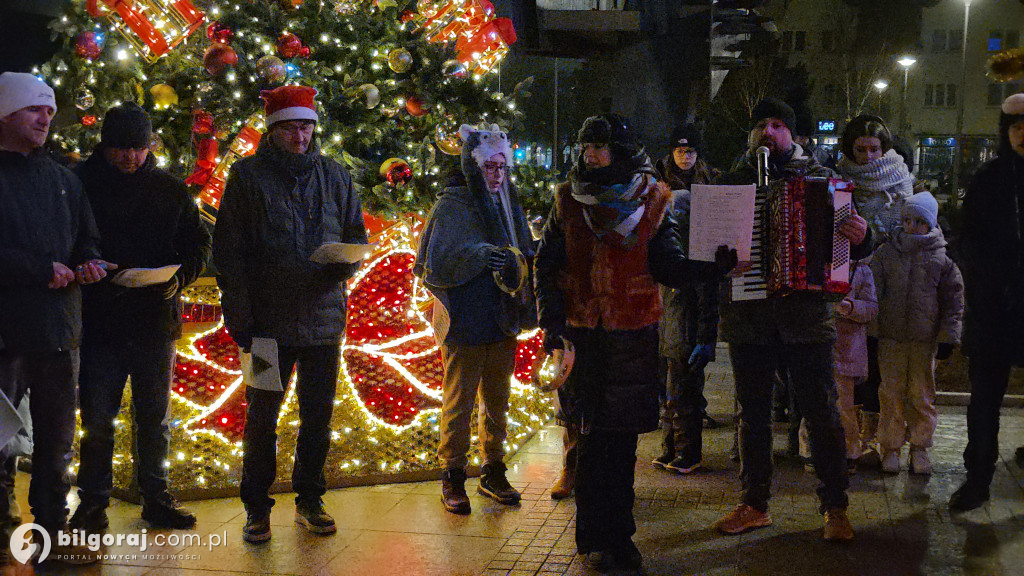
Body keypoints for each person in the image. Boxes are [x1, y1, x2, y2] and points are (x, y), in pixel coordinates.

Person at [534, 114, 734, 571]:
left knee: (622, 446)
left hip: (633, 337)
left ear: (620, 152)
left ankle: (621, 537)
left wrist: (713, 268)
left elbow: (668, 266)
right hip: (583, 339)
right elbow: (546, 267)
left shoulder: (654, 200)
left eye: (599, 146)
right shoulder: (567, 200)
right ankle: (592, 541)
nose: (590, 155)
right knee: (588, 442)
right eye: (585, 146)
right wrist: (553, 327)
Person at [214, 85, 368, 542]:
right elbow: (229, 251)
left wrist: (344, 262)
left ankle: (310, 499)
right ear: (272, 130)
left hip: (323, 324)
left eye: (306, 127)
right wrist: (240, 318)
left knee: (318, 417)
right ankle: (256, 507)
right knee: (262, 418)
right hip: (265, 326)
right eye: (290, 129)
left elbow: (355, 235)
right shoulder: (246, 177)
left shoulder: (336, 176)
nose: (300, 137)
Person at [714, 98, 870, 542]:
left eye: (778, 124)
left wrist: (862, 237)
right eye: (761, 124)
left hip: (806, 317)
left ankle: (835, 507)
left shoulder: (823, 180)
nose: (768, 131)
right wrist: (719, 258)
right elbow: (708, 248)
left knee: (821, 412)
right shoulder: (732, 184)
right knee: (753, 414)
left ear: (794, 135)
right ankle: (754, 504)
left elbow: (855, 241)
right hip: (749, 316)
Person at [70, 102, 211, 533]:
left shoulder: (169, 188)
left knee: (154, 416)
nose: (131, 157)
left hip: (154, 318)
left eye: (140, 148)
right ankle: (93, 502)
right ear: (104, 146)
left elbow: (197, 243)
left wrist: (180, 278)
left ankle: (156, 497)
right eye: (121, 149)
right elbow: (65, 240)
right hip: (99, 320)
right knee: (97, 417)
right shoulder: (79, 184)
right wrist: (83, 265)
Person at [0, 71, 114, 563]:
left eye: (49, 110)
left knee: (56, 443)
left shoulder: (66, 181)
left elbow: (87, 239)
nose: (45, 118)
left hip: (59, 331)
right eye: (34, 109)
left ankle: (50, 535)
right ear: (5, 114)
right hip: (6, 333)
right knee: (1, 441)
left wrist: (88, 263)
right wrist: (38, 270)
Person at [413, 123, 536, 515]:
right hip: (465, 318)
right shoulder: (453, 204)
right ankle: (452, 473)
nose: (496, 175)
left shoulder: (508, 203)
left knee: (497, 400)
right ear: (474, 166)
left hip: (501, 317)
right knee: (460, 400)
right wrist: (480, 255)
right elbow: (434, 263)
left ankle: (493, 469)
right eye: (489, 167)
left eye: (501, 167)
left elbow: (523, 249)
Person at [950, 93, 1024, 511]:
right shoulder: (989, 179)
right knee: (984, 399)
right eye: (1017, 127)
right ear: (1005, 132)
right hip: (993, 309)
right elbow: (967, 240)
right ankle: (978, 477)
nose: (1023, 135)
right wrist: (990, 285)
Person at [836, 115, 917, 466]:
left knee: (886, 364)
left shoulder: (901, 178)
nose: (868, 156)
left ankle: (882, 436)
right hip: (854, 282)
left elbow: (911, 230)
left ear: (884, 148)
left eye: (874, 148)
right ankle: (854, 437)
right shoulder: (840, 180)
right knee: (856, 361)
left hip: (893, 282)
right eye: (860, 149)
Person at [871, 192, 963, 475]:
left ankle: (920, 447)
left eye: (920, 221)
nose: (912, 227)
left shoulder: (941, 259)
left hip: (924, 340)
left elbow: (953, 301)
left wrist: (948, 337)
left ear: (931, 223)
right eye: (907, 220)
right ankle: (890, 446)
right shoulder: (886, 254)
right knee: (891, 393)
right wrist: (872, 331)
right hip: (891, 338)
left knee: (921, 395)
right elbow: (873, 293)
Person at [652, 123, 722, 474]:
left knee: (683, 383)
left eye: (691, 151)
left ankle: (686, 449)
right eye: (680, 150)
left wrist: (707, 336)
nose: (685, 156)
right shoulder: (657, 182)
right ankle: (672, 446)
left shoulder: (709, 183)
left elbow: (708, 292)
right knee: (670, 382)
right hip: (667, 301)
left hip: (690, 293)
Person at [798, 259, 878, 474]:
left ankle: (848, 451)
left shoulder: (861, 270)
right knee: (815, 398)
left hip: (846, 347)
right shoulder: (814, 263)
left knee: (843, 404)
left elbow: (871, 308)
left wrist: (850, 307)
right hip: (816, 339)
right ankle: (810, 449)